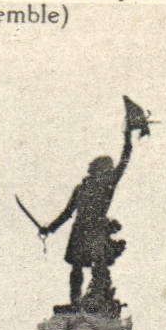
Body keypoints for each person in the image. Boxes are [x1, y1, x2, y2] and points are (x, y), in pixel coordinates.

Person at [41, 123, 135, 308]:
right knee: (76, 267)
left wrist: (128, 137)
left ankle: (98, 298)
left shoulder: (107, 185)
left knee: (98, 265)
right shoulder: (81, 189)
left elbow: (124, 161)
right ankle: (75, 300)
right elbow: (67, 213)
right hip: (79, 229)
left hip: (96, 228)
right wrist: (50, 228)